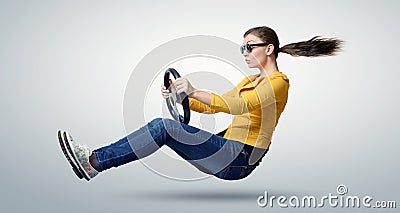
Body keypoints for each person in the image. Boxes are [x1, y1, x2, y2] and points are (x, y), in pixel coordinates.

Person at [58, 26, 343, 181]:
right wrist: (183, 98)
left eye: (250, 46)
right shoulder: (249, 82)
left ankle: (94, 161)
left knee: (163, 128)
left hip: (240, 159)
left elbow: (236, 107)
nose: (244, 52)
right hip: (227, 149)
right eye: (242, 47)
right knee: (165, 129)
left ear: (268, 49)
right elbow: (215, 106)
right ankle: (94, 163)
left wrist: (193, 90)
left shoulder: (278, 83)